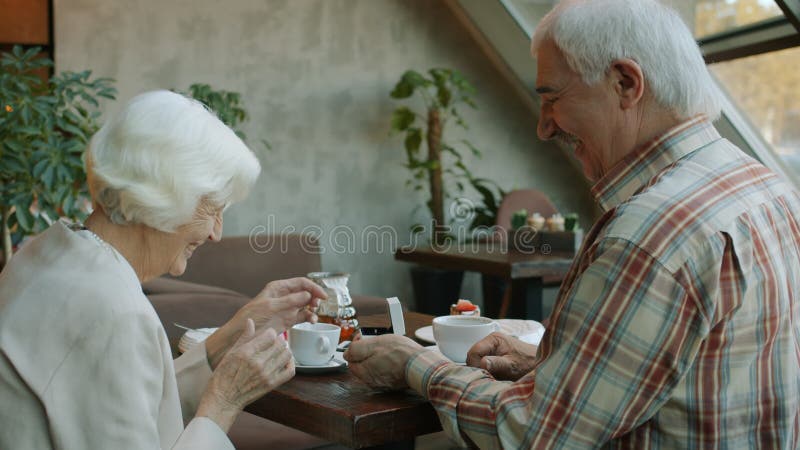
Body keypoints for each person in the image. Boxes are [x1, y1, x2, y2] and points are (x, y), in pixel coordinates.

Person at [345, 0, 800, 448]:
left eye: (552, 98)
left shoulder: (650, 233)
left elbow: (533, 434)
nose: (544, 128)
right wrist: (547, 364)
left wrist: (415, 365)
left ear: (625, 82)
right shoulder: (768, 188)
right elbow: (700, 376)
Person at [0, 90, 327, 449]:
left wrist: (231, 335)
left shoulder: (50, 253)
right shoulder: (111, 310)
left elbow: (129, 400)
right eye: (213, 207)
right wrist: (224, 402)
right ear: (163, 196)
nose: (217, 232)